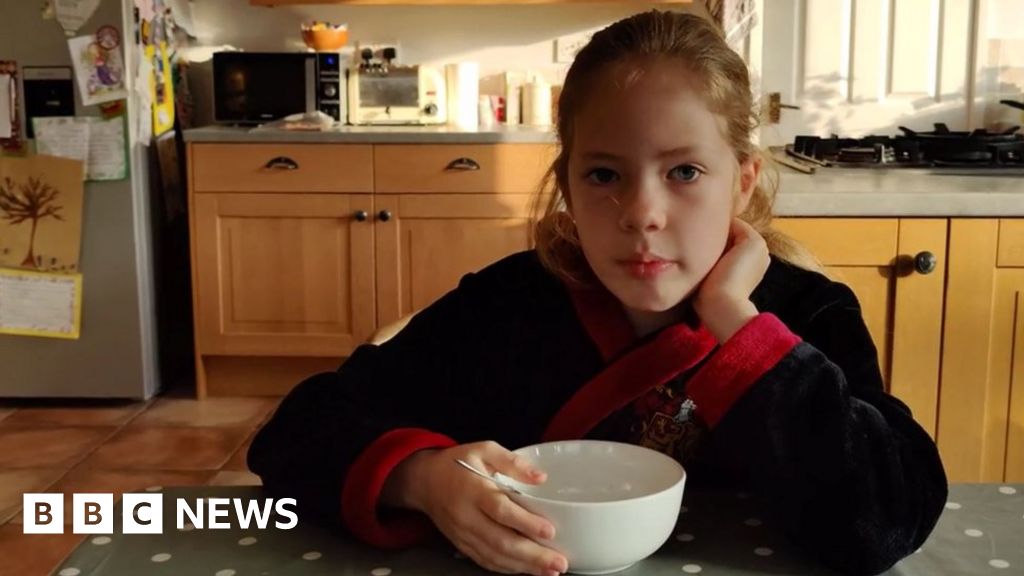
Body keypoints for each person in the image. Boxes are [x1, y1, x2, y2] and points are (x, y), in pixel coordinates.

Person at [248, 10, 947, 576]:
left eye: (683, 172)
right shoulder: (505, 307)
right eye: (605, 175)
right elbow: (297, 433)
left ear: (743, 179)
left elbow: (884, 520)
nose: (642, 213)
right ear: (568, 181)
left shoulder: (808, 317)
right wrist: (422, 479)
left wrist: (738, 326)